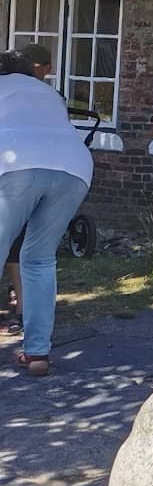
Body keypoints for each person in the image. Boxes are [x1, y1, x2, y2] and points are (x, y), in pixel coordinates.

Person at [0, 45, 91, 376]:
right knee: (39, 259)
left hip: (15, 167)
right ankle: (37, 353)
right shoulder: (48, 93)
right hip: (73, 168)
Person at [4, 44, 54, 338]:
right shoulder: (42, 96)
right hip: (36, 171)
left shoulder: (36, 96)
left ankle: (23, 307)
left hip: (22, 173)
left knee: (20, 247)